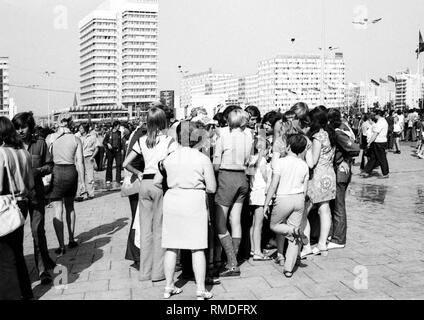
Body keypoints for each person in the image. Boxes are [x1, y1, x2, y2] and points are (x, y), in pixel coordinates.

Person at [156, 121, 217, 300]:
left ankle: (168, 287)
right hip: (194, 200)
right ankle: (200, 289)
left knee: (171, 246)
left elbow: (156, 181)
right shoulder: (202, 158)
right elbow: (212, 187)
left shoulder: (169, 157)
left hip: (173, 199)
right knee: (197, 247)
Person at [123, 106, 178, 283]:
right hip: (159, 184)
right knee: (159, 230)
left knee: (145, 229)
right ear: (163, 122)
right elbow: (174, 164)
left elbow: (125, 163)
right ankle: (157, 273)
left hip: (144, 184)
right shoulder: (169, 141)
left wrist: (138, 173)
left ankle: (144, 273)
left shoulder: (142, 140)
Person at [12, 112, 56, 284]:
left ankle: (43, 269)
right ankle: (21, 272)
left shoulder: (40, 143)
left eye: (23, 126)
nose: (20, 131)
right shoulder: (11, 147)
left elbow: (50, 165)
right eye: (17, 128)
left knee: (38, 232)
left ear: (30, 126)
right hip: (18, 197)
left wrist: (38, 171)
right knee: (17, 234)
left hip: (37, 194)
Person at [213, 108, 253, 277]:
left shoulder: (224, 136)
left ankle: (232, 262)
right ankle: (233, 259)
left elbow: (216, 162)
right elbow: (249, 161)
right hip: (242, 178)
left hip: (226, 177)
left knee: (220, 222)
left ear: (229, 120)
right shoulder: (249, 137)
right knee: (235, 220)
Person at [264, 134, 309, 277]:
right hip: (299, 199)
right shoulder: (304, 165)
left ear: (288, 146)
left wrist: (266, 203)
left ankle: (292, 230)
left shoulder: (281, 163)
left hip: (283, 198)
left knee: (274, 226)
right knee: (294, 239)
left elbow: (273, 185)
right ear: (302, 150)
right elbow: (305, 189)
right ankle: (288, 269)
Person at [0, 116, 35, 300]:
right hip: (22, 203)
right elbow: (30, 182)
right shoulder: (24, 152)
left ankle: (12, 295)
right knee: (18, 252)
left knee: (6, 257)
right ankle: (25, 292)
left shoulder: (1, 153)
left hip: (5, 206)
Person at [46, 117, 85, 255]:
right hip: (70, 172)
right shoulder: (76, 139)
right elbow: (80, 162)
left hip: (56, 172)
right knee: (70, 207)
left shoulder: (51, 138)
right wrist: (83, 182)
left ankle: (61, 246)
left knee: (57, 211)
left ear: (58, 123)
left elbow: (46, 156)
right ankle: (71, 239)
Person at [302, 106, 336, 257]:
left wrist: (307, 148)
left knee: (304, 211)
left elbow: (312, 162)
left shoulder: (317, 137)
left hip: (317, 176)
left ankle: (306, 245)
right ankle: (322, 244)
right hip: (329, 174)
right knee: (325, 209)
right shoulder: (330, 134)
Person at [327, 109, 360, 250]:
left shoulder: (338, 132)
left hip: (340, 173)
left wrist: (345, 159)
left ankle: (339, 239)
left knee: (338, 206)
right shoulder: (341, 129)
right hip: (339, 171)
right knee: (334, 205)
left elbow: (355, 149)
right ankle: (334, 234)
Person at [124, 123, 147, 271]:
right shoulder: (141, 136)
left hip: (136, 183)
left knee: (137, 220)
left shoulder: (138, 133)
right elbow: (129, 162)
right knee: (138, 221)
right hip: (137, 184)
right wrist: (139, 172)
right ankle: (137, 257)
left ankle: (137, 257)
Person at [247, 137, 271, 261]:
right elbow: (267, 178)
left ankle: (253, 248)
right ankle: (257, 252)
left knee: (254, 223)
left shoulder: (252, 160)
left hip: (254, 192)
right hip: (261, 193)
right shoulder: (262, 162)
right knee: (259, 224)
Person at [362, 110, 389, 179]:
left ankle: (385, 173)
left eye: (375, 115)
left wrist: (369, 143)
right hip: (379, 142)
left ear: (378, 115)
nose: (374, 116)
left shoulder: (381, 122)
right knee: (373, 158)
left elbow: (375, 134)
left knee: (382, 158)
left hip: (379, 142)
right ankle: (367, 171)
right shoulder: (383, 121)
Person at [77, 123, 100, 200]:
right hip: (79, 158)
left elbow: (97, 147)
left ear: (85, 129)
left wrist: (92, 156)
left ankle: (91, 193)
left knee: (90, 177)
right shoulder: (77, 137)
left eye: (81, 128)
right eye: (79, 128)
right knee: (80, 176)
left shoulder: (92, 137)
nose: (80, 130)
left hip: (88, 157)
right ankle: (82, 193)